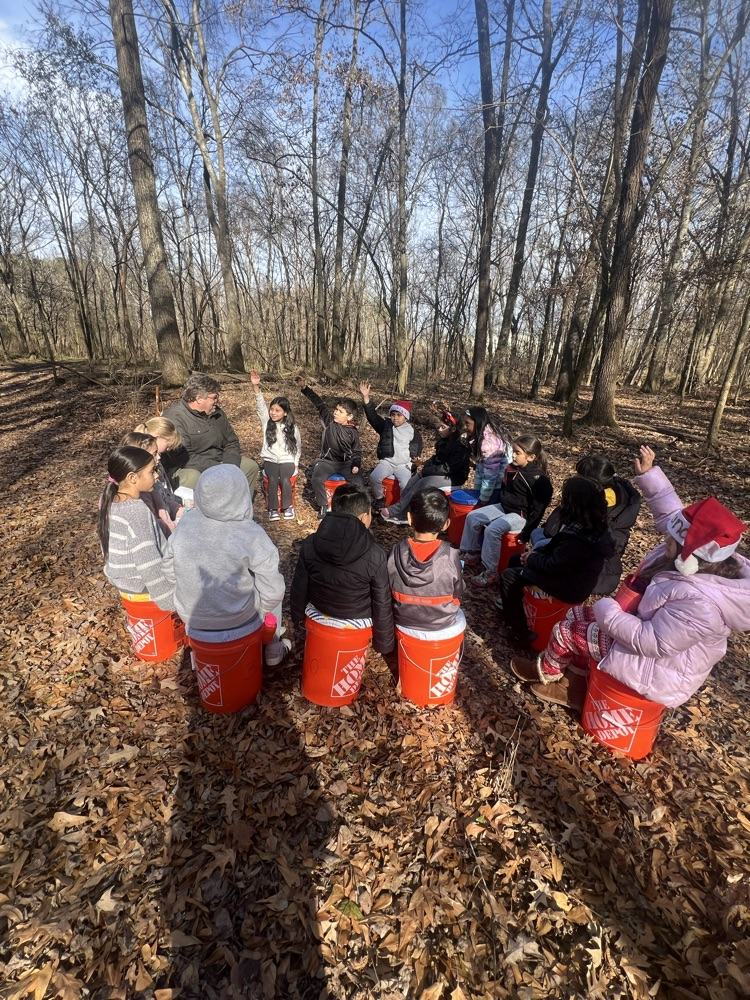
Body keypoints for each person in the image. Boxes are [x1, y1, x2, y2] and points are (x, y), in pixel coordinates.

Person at [510, 446, 750, 713]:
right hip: (637, 633)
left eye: (672, 539)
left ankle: (547, 673)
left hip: (653, 667)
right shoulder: (693, 558)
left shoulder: (700, 603)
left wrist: (608, 610)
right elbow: (672, 515)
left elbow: (652, 642)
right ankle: (573, 684)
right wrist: (650, 475)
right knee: (575, 616)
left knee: (566, 632)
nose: (665, 538)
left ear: (690, 555)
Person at [161, 464, 291, 666]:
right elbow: (273, 590)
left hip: (192, 614)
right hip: (238, 618)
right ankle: (272, 647)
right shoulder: (251, 532)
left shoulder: (186, 522)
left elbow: (168, 566)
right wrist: (262, 610)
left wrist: (185, 588)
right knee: (271, 585)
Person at [498, 475, 616, 644]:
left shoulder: (578, 538)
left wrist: (531, 559)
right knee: (516, 559)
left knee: (509, 576)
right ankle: (513, 607)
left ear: (573, 503)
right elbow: (558, 553)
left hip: (570, 586)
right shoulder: (592, 524)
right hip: (570, 577)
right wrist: (533, 556)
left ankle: (520, 632)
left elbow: (554, 566)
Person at [290, 483, 394, 655]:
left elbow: (298, 589)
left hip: (318, 615)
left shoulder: (310, 543)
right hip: (357, 623)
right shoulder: (376, 555)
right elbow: (382, 602)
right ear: (363, 517)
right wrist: (384, 645)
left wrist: (299, 623)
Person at [531, 455, 641, 595]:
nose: (575, 477)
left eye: (579, 475)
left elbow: (556, 532)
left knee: (539, 544)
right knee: (537, 535)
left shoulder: (599, 502)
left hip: (597, 569)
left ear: (592, 482)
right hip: (588, 551)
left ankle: (538, 590)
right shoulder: (609, 491)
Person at [460, 434, 553, 587]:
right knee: (473, 516)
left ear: (531, 457)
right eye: (513, 451)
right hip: (504, 508)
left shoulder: (538, 479)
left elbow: (539, 509)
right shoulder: (511, 468)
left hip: (520, 516)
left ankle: (491, 572)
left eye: (518, 453)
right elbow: (504, 491)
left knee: (492, 530)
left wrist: (527, 532)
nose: (513, 456)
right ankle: (471, 553)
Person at [98, 446, 175, 611]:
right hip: (143, 586)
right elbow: (148, 563)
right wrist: (170, 602)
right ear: (132, 477)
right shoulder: (136, 510)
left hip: (125, 581)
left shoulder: (111, 501)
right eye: (152, 471)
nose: (157, 475)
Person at [161, 373, 260, 497]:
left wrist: (230, 465)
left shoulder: (217, 413)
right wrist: (218, 469)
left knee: (250, 467)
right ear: (199, 399)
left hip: (221, 461)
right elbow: (183, 458)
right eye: (214, 397)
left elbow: (231, 441)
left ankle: (240, 507)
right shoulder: (175, 418)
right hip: (188, 467)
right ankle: (189, 509)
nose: (217, 401)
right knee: (192, 477)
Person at [387, 487, 465, 636]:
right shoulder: (451, 555)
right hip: (442, 622)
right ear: (446, 524)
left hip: (403, 620)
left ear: (409, 518)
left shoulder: (395, 552)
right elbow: (458, 590)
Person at [381, 408, 470, 524]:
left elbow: (448, 468)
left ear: (453, 429)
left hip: (453, 477)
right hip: (441, 472)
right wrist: (423, 466)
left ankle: (396, 511)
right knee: (412, 481)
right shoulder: (445, 441)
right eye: (439, 426)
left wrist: (426, 471)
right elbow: (436, 458)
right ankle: (404, 513)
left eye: (443, 427)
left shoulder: (459, 445)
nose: (439, 429)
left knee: (423, 483)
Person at [295, 374, 365, 518]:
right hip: (327, 462)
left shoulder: (352, 432)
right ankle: (323, 506)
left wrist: (356, 464)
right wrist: (304, 388)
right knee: (316, 478)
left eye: (340, 412)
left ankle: (358, 509)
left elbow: (357, 451)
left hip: (345, 464)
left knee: (359, 482)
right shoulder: (329, 423)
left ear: (349, 417)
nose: (336, 413)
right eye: (336, 410)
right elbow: (319, 404)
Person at [358, 381, 422, 507]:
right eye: (393, 415)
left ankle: (402, 506)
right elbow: (373, 417)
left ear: (406, 417)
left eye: (399, 415)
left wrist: (415, 461)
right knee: (374, 477)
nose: (395, 418)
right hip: (387, 462)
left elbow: (416, 449)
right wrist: (366, 397)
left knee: (406, 484)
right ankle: (380, 499)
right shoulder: (386, 426)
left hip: (403, 465)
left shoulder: (413, 432)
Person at [251, 370, 302, 522]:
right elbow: (260, 406)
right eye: (272, 410)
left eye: (277, 410)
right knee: (273, 478)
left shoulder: (292, 427)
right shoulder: (267, 423)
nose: (273, 413)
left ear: (285, 413)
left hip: (287, 460)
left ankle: (287, 506)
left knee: (285, 478)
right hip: (271, 460)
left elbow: (298, 446)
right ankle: (273, 508)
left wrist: (296, 463)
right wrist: (256, 386)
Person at [120, 430, 182, 537]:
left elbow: (164, 501)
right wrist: (178, 526)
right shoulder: (140, 492)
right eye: (154, 454)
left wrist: (182, 510)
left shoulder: (151, 480)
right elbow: (153, 526)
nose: (159, 457)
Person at [463, 406, 513, 503]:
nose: (465, 427)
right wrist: (477, 489)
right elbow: (480, 465)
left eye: (467, 423)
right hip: (491, 485)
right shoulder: (480, 437)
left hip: (497, 486)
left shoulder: (489, 443)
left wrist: (484, 497)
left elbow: (491, 474)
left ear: (477, 423)